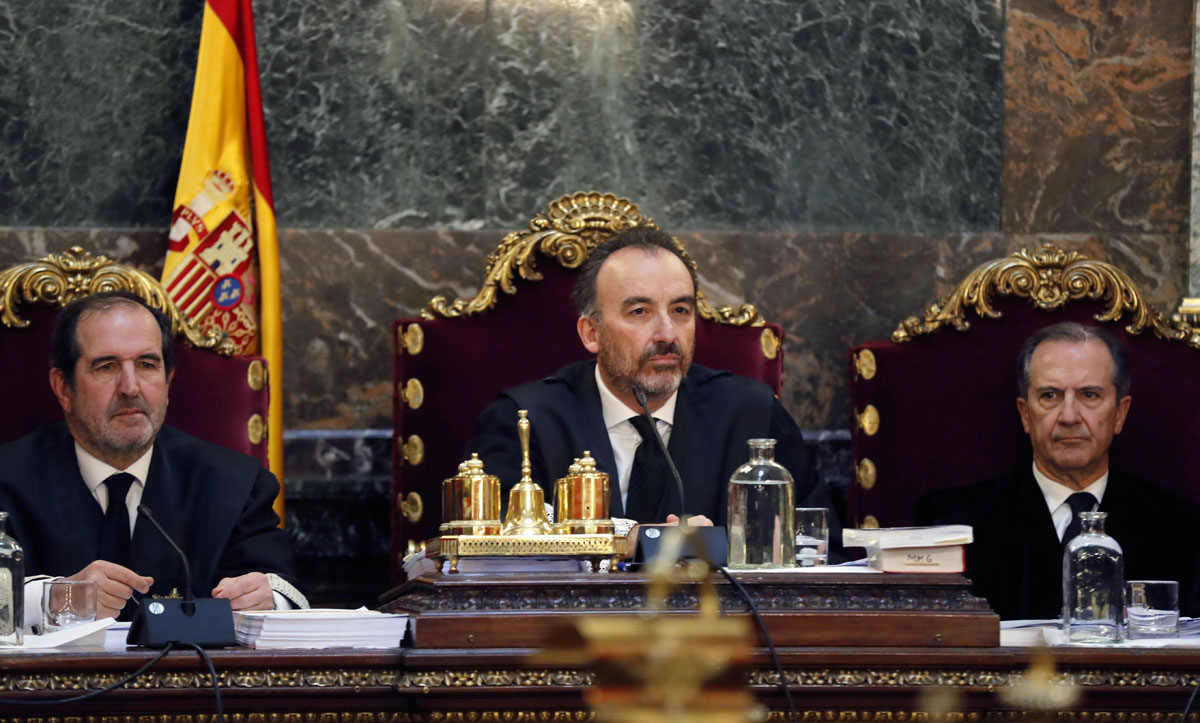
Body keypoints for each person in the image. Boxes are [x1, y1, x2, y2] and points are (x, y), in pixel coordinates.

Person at [465, 227, 842, 550]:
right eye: (639, 312)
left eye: (680, 311)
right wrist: (633, 540)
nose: (666, 334)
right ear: (591, 333)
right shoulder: (526, 422)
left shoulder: (752, 416)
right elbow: (487, 538)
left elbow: (818, 543)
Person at [0, 291, 305, 624]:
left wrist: (268, 600)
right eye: (106, 366)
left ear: (168, 380)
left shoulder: (232, 482)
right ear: (63, 388)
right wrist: (55, 598)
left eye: (147, 365)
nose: (130, 387)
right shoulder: (8, 479)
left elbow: (286, 591)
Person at [917, 321, 1200, 619]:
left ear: (1119, 413)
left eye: (1089, 395)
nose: (1068, 416)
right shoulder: (952, 524)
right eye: (1050, 395)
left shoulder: (1183, 530)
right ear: (1025, 414)